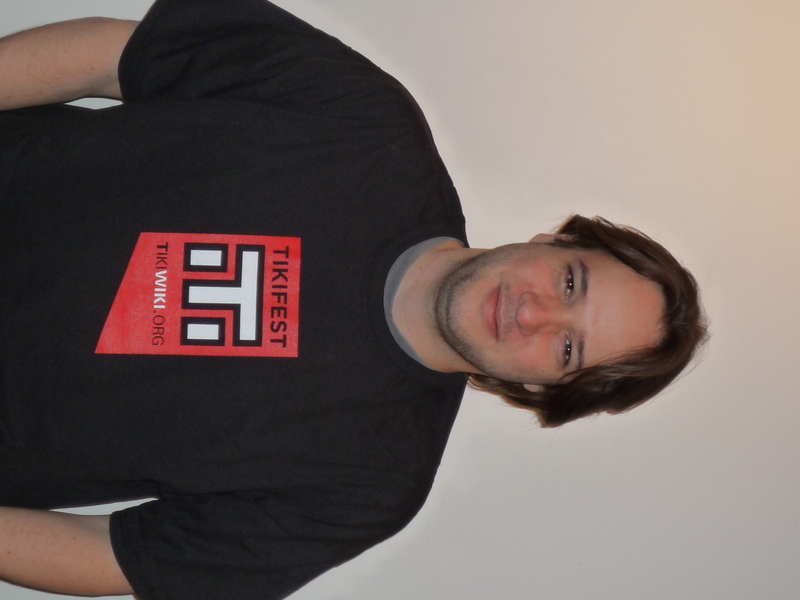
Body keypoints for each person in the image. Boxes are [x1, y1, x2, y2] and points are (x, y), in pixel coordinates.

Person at [0, 0, 706, 598]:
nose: (533, 313)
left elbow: (116, 558)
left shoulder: (371, 486)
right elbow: (116, 56)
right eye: (571, 283)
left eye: (568, 348)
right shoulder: (366, 118)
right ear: (553, 242)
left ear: (541, 386)